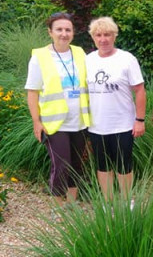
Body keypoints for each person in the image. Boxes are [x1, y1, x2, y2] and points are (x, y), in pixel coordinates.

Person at [25, 12, 90, 204]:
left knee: (77, 164)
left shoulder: (79, 53)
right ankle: (58, 208)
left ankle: (72, 204)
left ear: (73, 32)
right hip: (55, 123)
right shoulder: (40, 57)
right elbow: (32, 92)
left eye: (68, 29)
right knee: (61, 165)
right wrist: (36, 122)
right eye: (59, 29)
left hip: (80, 121)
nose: (64, 33)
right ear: (50, 32)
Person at [86, 16, 146, 200]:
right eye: (98, 35)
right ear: (93, 37)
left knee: (123, 166)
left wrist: (140, 120)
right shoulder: (87, 60)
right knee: (102, 166)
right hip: (96, 125)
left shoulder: (127, 59)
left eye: (107, 34)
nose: (103, 39)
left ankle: (127, 202)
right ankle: (107, 202)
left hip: (122, 124)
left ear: (114, 36)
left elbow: (140, 90)